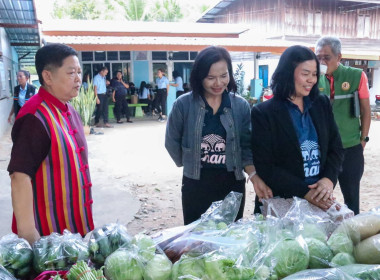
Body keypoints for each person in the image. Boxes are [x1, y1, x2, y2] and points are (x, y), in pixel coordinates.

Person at [165, 46, 268, 225]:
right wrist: (188, 160)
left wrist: (253, 175)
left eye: (223, 76)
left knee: (229, 238)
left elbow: (245, 146)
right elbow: (171, 141)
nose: (218, 83)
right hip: (196, 183)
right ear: (199, 76)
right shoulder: (183, 105)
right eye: (210, 78)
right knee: (196, 239)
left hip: (231, 183)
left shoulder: (240, 106)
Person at [7, 43, 94, 245]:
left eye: (79, 72)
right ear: (48, 77)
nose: (78, 79)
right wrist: (30, 236)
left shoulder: (68, 110)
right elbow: (19, 177)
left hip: (71, 231)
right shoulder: (34, 116)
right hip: (48, 238)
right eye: (71, 72)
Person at [251, 45, 344, 214]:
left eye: (314, 74)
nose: (312, 80)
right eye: (305, 74)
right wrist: (305, 192)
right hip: (282, 202)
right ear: (288, 74)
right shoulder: (264, 113)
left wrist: (328, 180)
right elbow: (266, 166)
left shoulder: (321, 104)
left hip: (319, 200)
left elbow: (336, 148)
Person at [315, 37, 371, 215]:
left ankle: (353, 235)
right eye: (318, 57)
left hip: (350, 147)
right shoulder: (312, 78)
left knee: (351, 197)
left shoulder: (356, 76)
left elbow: (365, 110)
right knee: (320, 197)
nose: (322, 62)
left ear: (339, 57)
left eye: (327, 57)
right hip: (322, 149)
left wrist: (363, 140)